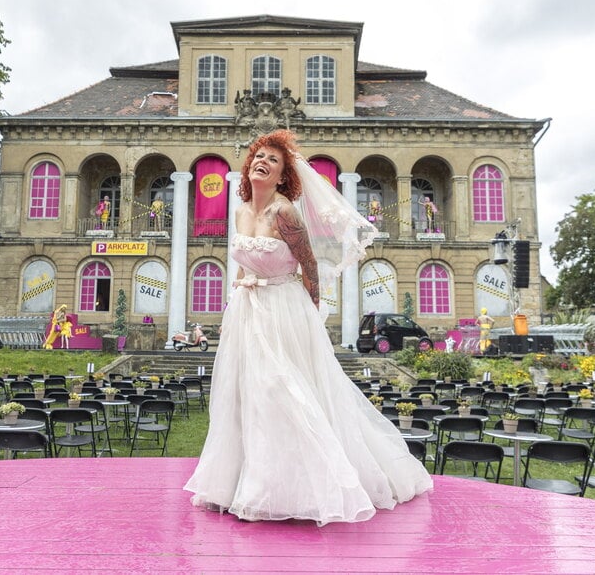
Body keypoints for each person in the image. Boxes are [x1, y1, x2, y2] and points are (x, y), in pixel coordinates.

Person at [184, 129, 432, 526]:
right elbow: (243, 260)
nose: (262, 162)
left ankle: (287, 488)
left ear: (283, 176)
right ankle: (238, 483)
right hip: (247, 309)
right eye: (258, 156)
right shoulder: (239, 210)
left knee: (280, 389)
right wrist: (242, 285)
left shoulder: (285, 212)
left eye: (273, 160)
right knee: (245, 392)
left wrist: (311, 318)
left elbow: (310, 266)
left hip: (285, 307)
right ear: (249, 166)